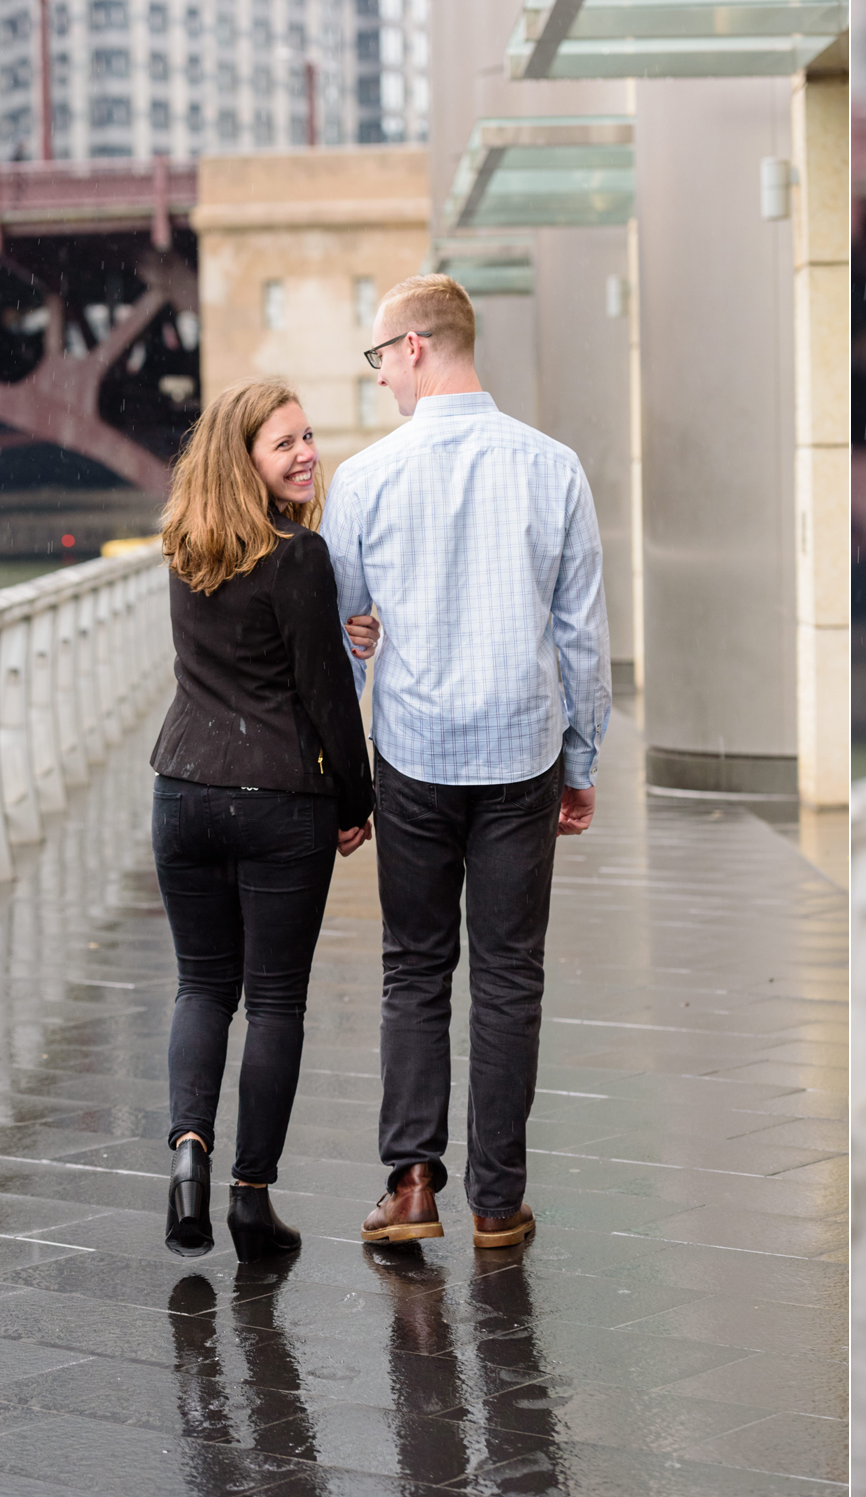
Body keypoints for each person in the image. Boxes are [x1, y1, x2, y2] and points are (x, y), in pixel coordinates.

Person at [321, 274, 610, 1250]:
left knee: (414, 969)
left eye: (377, 361)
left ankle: (410, 1185)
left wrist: (340, 777)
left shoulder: (362, 481)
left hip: (412, 755)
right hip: (522, 755)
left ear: (411, 348)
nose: (380, 383)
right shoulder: (553, 468)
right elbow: (581, 637)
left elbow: (334, 642)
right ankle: (496, 1200)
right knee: (508, 976)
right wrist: (582, 759)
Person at [153, 378, 378, 1262]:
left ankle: (186, 1154)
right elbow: (324, 695)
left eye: (308, 437)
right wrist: (355, 804)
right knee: (275, 999)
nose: (306, 453)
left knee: (202, 985)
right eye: (284, 442)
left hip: (183, 790)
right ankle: (250, 1200)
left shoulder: (184, 547)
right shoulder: (298, 555)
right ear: (243, 457)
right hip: (280, 796)